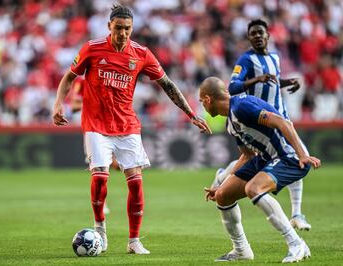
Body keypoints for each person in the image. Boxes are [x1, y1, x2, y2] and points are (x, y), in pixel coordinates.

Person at [53, 4, 210, 255]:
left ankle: (134, 240)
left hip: (127, 126)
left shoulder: (141, 54)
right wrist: (59, 103)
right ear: (109, 27)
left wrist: (191, 113)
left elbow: (167, 85)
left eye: (127, 29)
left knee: (136, 184)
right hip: (96, 124)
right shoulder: (92, 49)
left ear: (132, 28)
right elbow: (69, 77)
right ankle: (100, 228)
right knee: (100, 176)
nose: (123, 33)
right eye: (118, 28)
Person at [199, 77, 321, 263]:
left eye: (201, 102)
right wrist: (223, 183)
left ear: (208, 100)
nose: (203, 106)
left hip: (289, 156)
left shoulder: (241, 106)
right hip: (265, 158)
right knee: (223, 195)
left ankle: (296, 244)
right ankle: (241, 251)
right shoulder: (231, 123)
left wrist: (301, 155)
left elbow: (282, 123)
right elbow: (247, 155)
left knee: (253, 189)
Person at [211, 19, 311, 231]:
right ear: (249, 38)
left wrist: (288, 82)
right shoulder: (246, 60)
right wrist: (255, 80)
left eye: (260, 32)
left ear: (268, 36)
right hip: (256, 118)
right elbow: (232, 86)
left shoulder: (274, 57)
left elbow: (273, 81)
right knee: (258, 156)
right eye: (253, 33)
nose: (257, 36)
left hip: (279, 116)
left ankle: (297, 213)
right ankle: (222, 177)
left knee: (293, 157)